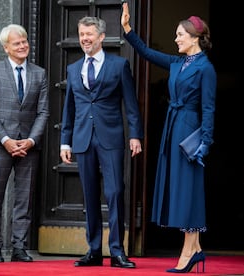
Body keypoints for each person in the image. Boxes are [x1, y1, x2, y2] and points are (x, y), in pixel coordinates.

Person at [121, 3, 216, 273]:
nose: (176, 39)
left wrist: (205, 142)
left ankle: (190, 250)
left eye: (180, 35)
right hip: (172, 129)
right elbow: (147, 53)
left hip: (190, 133)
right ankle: (194, 249)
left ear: (194, 38)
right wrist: (128, 29)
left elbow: (208, 108)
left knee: (190, 192)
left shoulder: (205, 68)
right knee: (180, 190)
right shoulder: (178, 62)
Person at [60, 16, 144, 269]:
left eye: (89, 34)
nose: (84, 38)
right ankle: (94, 250)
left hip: (111, 138)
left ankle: (117, 251)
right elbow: (69, 109)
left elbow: (131, 105)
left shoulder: (119, 65)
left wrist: (135, 135)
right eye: (81, 34)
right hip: (83, 139)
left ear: (101, 37)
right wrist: (65, 142)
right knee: (90, 194)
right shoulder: (74, 69)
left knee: (116, 192)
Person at [0, 24, 49, 263]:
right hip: (1, 146)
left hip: (29, 147)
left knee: (24, 199)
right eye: (17, 43)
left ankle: (19, 247)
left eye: (24, 41)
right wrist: (6, 140)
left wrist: (30, 140)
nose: (23, 46)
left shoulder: (39, 73)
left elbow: (43, 112)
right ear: (6, 48)